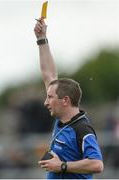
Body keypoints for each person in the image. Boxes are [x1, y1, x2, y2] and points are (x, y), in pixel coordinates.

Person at [34, 18, 104, 179]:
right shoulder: (62, 119)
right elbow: (49, 74)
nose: (45, 102)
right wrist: (41, 39)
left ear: (65, 100)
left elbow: (97, 164)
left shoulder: (82, 129)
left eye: (50, 97)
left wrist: (62, 166)